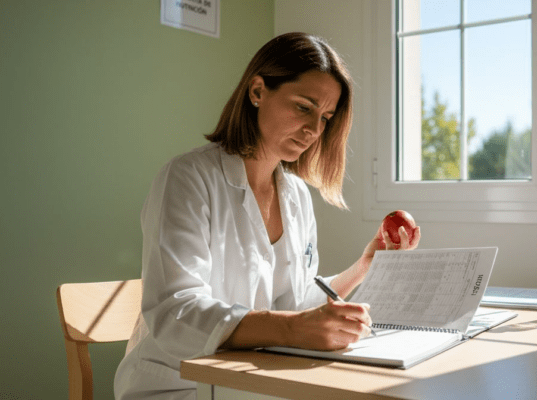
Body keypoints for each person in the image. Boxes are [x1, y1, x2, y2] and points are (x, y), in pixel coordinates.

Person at [114, 32, 421, 400]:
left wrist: (364, 266)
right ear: (257, 91)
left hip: (250, 383)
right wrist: (293, 329)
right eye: (304, 107)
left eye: (325, 117)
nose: (314, 130)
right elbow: (176, 313)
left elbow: (295, 305)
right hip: (176, 385)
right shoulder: (187, 179)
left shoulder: (297, 195)